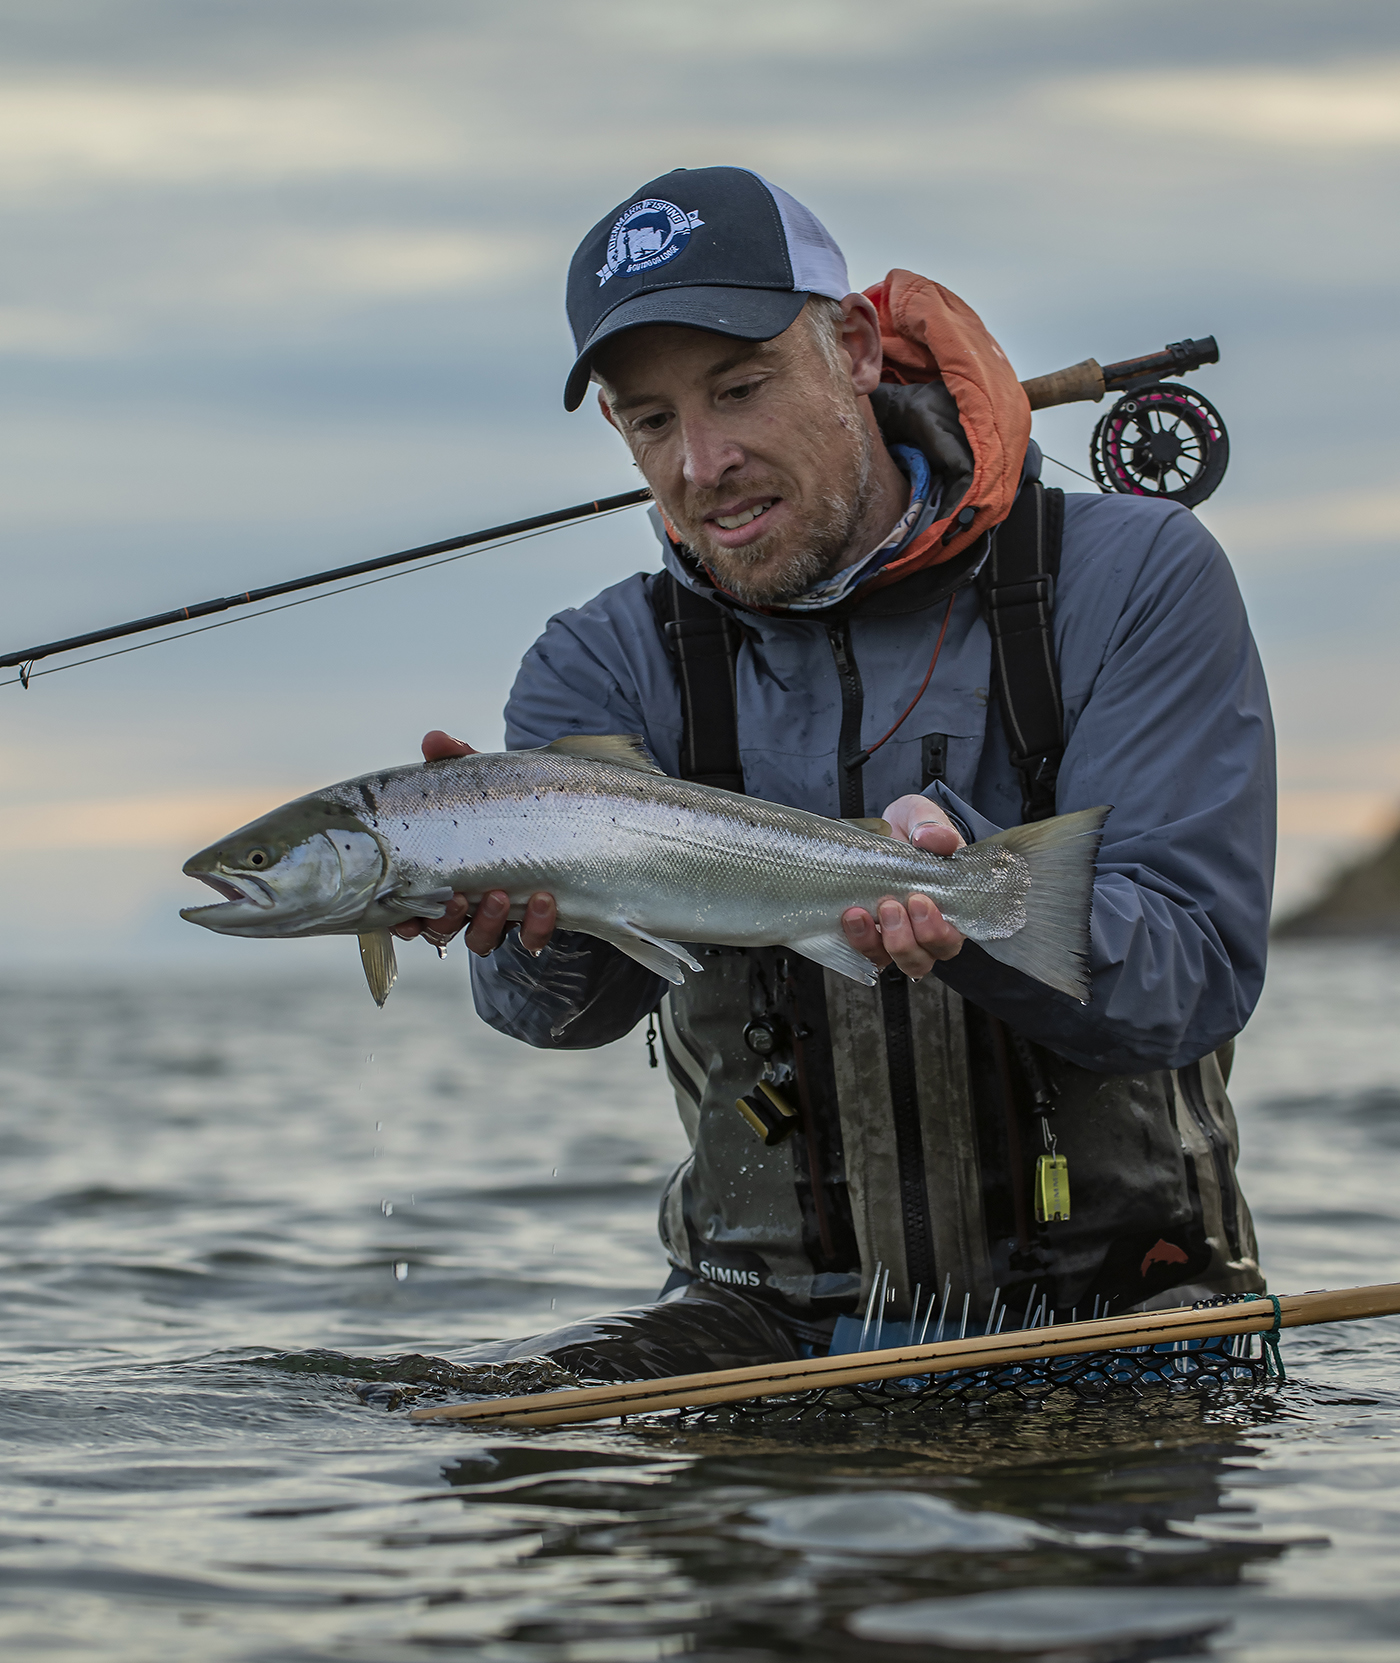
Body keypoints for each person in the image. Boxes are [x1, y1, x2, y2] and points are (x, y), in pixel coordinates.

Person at [396, 166, 1274, 1382]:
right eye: (651, 420)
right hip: (756, 1332)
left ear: (853, 348)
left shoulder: (1135, 578)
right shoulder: (596, 661)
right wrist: (527, 933)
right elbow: (559, 1016)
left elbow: (1191, 973)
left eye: (740, 388)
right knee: (453, 1430)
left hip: (1127, 1318)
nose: (702, 462)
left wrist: (972, 900)